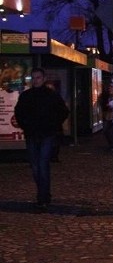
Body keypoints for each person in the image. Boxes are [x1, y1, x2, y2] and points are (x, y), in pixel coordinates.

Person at [14, 67, 69, 209]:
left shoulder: (51, 95)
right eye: (33, 78)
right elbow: (19, 112)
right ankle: (43, 193)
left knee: (42, 165)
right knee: (35, 166)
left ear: (43, 79)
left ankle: (43, 196)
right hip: (32, 134)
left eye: (38, 77)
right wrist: (26, 125)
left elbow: (63, 111)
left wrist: (52, 125)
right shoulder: (26, 96)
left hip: (46, 134)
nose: (35, 80)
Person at [99, 82, 113, 149]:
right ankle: (112, 144)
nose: (110, 89)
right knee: (106, 130)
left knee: (109, 130)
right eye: (109, 87)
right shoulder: (107, 95)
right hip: (108, 115)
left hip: (112, 116)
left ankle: (112, 144)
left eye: (111, 88)